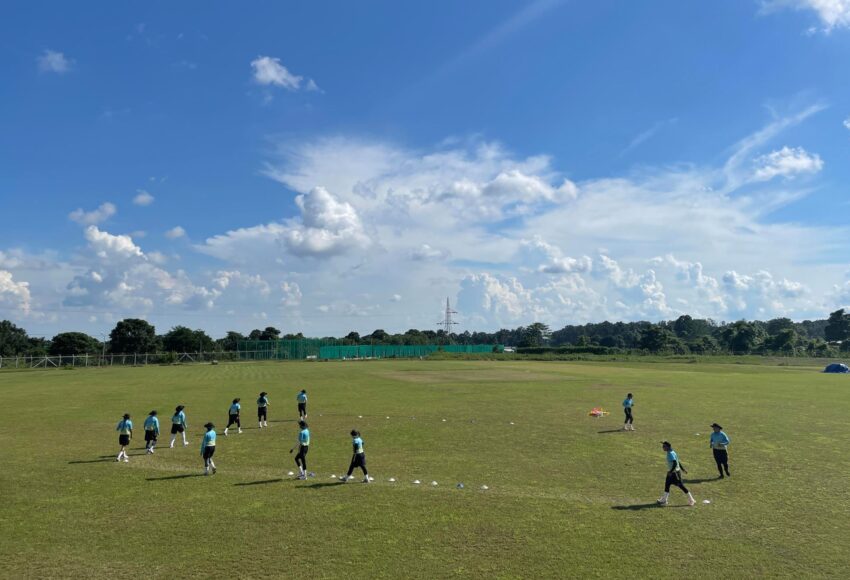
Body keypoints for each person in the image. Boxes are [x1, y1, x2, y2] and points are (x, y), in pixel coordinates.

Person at [658, 441, 695, 506]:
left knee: (681, 486)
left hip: (675, 474)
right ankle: (664, 500)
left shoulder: (670, 454)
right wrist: (683, 469)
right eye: (662, 446)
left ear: (668, 447)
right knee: (667, 485)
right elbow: (678, 462)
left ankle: (691, 500)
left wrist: (671, 471)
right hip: (671, 472)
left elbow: (675, 463)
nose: (663, 447)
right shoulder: (672, 452)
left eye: (664, 446)